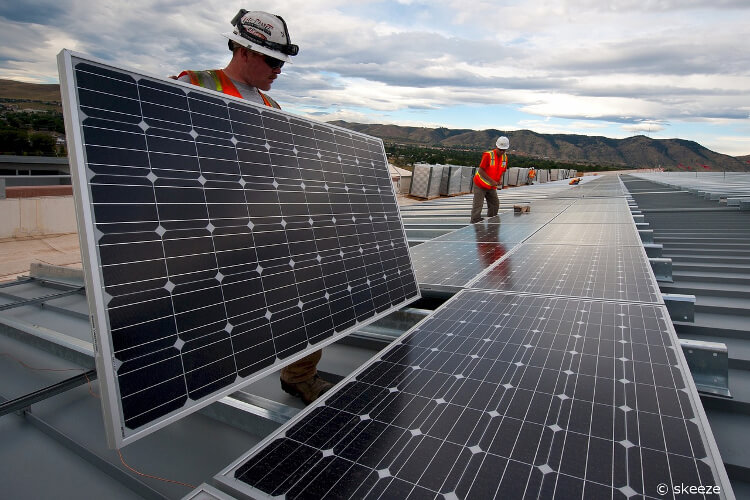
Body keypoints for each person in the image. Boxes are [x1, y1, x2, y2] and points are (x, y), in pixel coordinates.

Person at [178, 9, 332, 405]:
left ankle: (299, 375)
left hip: (260, 224)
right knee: (209, 314)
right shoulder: (192, 85)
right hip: (207, 228)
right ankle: (191, 383)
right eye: (272, 60)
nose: (279, 69)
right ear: (244, 49)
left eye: (282, 61)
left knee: (309, 291)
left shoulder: (271, 106)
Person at [471, 136, 509, 223]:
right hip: (480, 184)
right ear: (497, 147)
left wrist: (499, 179)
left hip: (491, 186)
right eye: (500, 150)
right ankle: (475, 222)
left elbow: (502, 170)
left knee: (495, 204)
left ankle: (492, 221)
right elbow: (480, 171)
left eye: (504, 150)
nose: (502, 152)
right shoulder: (488, 155)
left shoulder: (504, 158)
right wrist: (491, 180)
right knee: (478, 205)